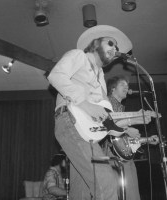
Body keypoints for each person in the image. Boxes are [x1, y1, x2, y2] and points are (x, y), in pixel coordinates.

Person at [47, 25, 133, 200]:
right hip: (70, 122)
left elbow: (103, 112)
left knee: (82, 192)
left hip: (88, 133)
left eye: (116, 48)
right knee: (106, 181)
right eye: (111, 43)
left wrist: (128, 123)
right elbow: (56, 76)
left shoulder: (100, 74)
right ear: (96, 43)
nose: (114, 49)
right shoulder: (78, 55)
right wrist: (85, 103)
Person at [103, 75, 159, 200]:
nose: (127, 87)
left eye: (127, 85)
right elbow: (108, 126)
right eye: (122, 84)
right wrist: (131, 124)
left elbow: (124, 141)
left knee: (132, 193)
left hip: (123, 154)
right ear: (112, 88)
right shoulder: (107, 102)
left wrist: (147, 140)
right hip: (112, 154)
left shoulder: (121, 108)